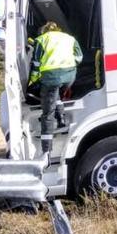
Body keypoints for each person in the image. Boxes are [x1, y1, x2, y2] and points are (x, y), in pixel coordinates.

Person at [29, 21, 83, 158]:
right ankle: (62, 118)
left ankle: (46, 151)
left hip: (52, 77)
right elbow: (79, 58)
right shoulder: (70, 38)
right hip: (70, 76)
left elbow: (36, 63)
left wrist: (33, 80)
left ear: (44, 31)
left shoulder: (41, 40)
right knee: (56, 93)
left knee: (48, 113)